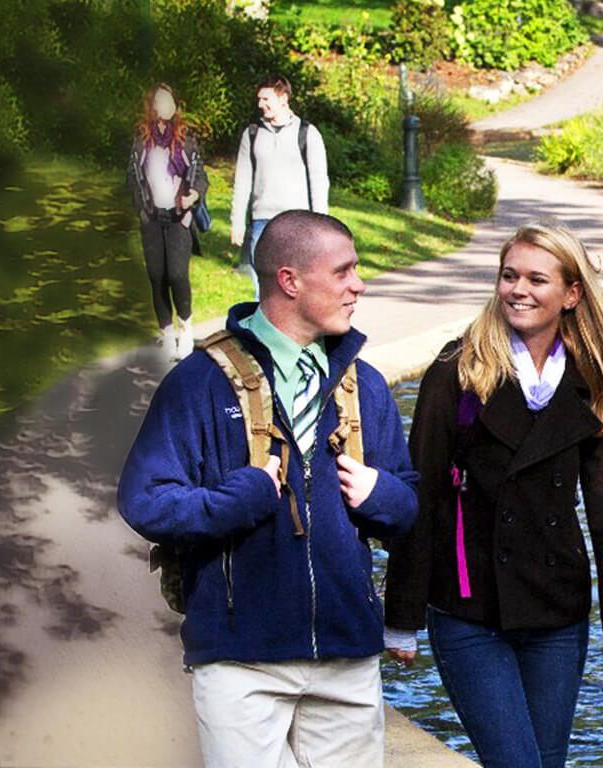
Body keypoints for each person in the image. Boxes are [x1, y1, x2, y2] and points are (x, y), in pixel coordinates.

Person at [117, 210, 420, 768]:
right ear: (289, 281)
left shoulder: (365, 385)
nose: (358, 285)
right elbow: (146, 500)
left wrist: (382, 495)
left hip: (348, 654)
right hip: (240, 659)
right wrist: (240, 500)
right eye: (343, 271)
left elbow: (406, 505)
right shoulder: (199, 382)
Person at [383, 221, 603, 768]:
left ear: (571, 294)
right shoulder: (457, 369)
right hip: (469, 608)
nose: (518, 290)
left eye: (536, 279)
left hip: (557, 610)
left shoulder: (592, 378)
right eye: (509, 276)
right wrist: (402, 616)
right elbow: (423, 493)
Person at [127, 83, 208, 359]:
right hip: (151, 217)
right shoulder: (141, 138)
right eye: (160, 101)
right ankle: (167, 332)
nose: (165, 106)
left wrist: (193, 195)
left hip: (178, 217)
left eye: (169, 101)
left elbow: (199, 174)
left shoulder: (186, 137)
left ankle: (186, 329)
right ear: (152, 105)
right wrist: (141, 207)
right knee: (157, 276)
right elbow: (132, 176)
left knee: (176, 275)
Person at [231, 76, 329, 296]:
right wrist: (237, 221)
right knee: (263, 289)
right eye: (259, 99)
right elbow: (242, 180)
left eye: (266, 99)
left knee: (297, 286)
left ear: (283, 98)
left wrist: (322, 225)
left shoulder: (308, 133)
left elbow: (319, 182)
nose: (260, 104)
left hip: (298, 222)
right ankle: (263, 319)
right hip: (261, 222)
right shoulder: (252, 134)